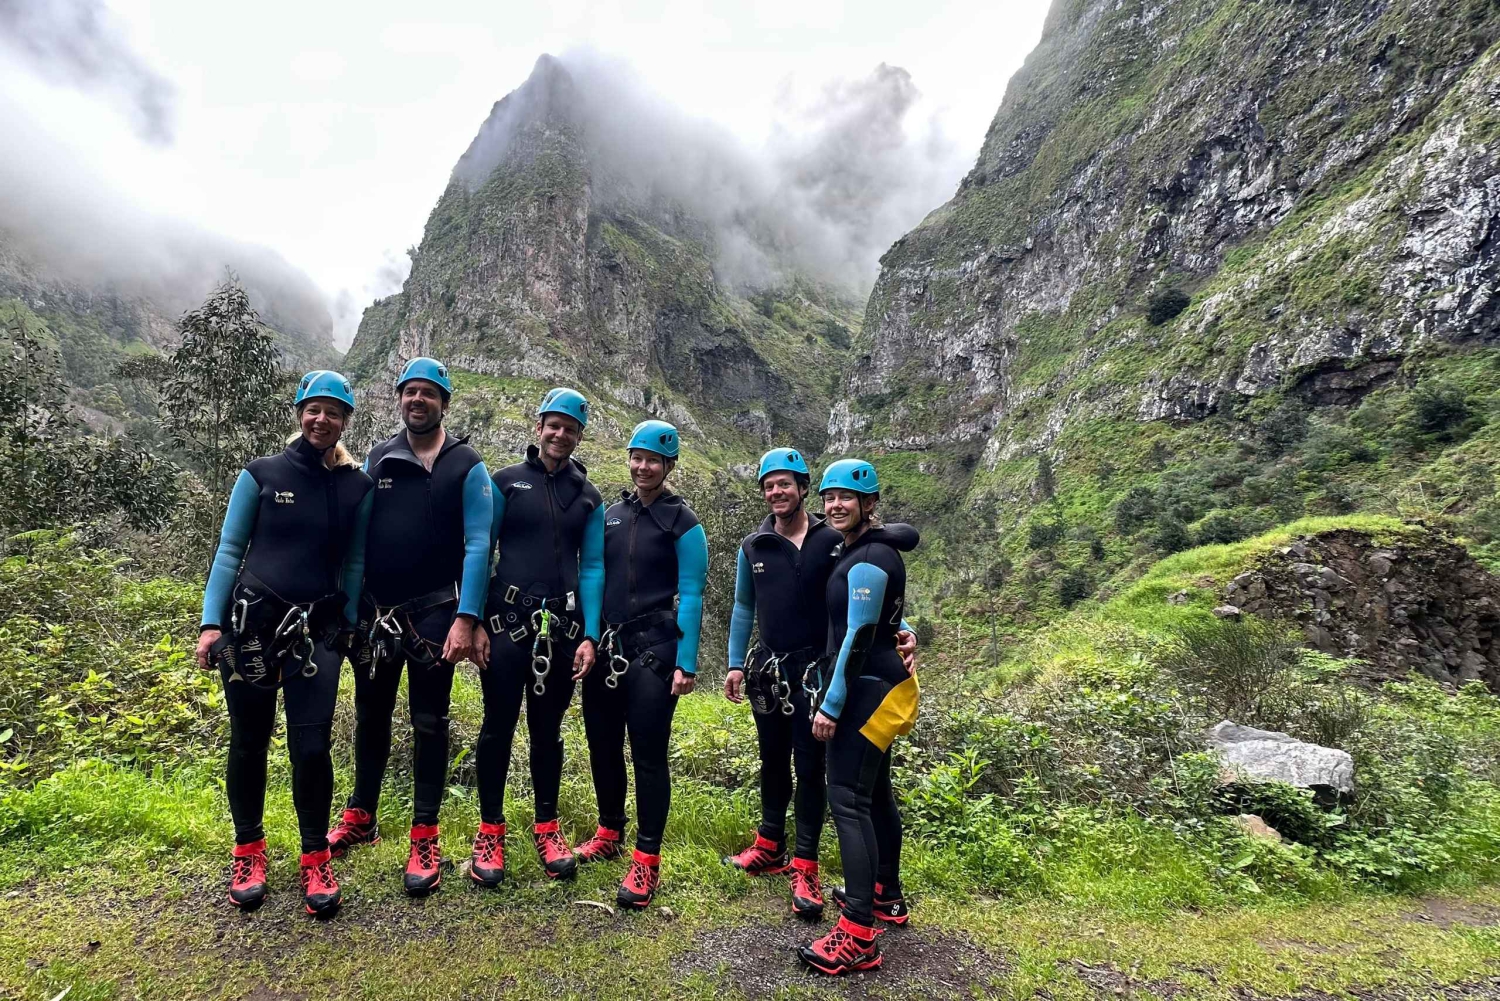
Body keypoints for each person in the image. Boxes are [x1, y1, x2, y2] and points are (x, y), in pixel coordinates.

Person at [197, 371, 372, 917]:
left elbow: (356, 563)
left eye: (333, 413)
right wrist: (210, 623)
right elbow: (230, 551)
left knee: (312, 747)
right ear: (299, 412)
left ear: (346, 420)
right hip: (251, 625)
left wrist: (345, 622)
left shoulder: (357, 487)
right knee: (249, 740)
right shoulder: (261, 474)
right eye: (312, 410)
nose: (321, 420)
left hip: (316, 633)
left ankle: (315, 854)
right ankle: (248, 849)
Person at [723, 448, 916, 920]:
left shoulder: (836, 539)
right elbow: (744, 607)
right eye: (769, 485)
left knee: (810, 766)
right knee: (772, 759)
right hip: (769, 670)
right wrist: (734, 663)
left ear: (803, 488)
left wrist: (902, 627)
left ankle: (805, 863)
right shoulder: (754, 546)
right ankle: (770, 845)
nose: (777, 491)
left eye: (786, 483)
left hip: (819, 673)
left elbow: (863, 600)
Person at [325, 357, 492, 897]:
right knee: (371, 715)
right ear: (399, 399)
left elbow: (478, 544)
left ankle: (425, 832)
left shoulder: (467, 465)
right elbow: (358, 539)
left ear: (444, 401)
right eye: (408, 392)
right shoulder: (380, 457)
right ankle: (363, 815)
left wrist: (467, 617)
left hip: (436, 614)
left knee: (429, 722)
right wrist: (350, 611)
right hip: (380, 614)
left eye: (427, 393)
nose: (416, 400)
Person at [470, 388, 603, 886]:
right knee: (497, 726)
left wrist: (590, 635)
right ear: (539, 425)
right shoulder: (505, 482)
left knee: (547, 733)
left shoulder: (588, 496)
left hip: (562, 633)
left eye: (569, 428)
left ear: (579, 435)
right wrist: (476, 619)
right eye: (553, 424)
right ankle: (490, 831)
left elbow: (591, 567)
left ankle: (547, 827)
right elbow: (482, 552)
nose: (559, 433)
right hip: (506, 626)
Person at [578, 420, 709, 909]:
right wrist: (590, 637)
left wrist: (687, 663)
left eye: (652, 460)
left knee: (648, 755)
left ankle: (646, 860)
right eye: (636, 457)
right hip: (608, 647)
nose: (642, 466)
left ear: (669, 465)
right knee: (602, 744)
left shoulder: (682, 522)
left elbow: (692, 594)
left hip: (656, 650)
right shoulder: (611, 516)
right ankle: (609, 830)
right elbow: (592, 574)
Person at [798, 459, 920, 976]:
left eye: (847, 497)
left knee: (847, 801)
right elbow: (880, 619)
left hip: (865, 689)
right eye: (828, 497)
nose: (834, 505)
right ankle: (885, 895)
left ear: (869, 503)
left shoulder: (868, 558)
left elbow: (858, 636)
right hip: (884, 687)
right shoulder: (864, 550)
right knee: (874, 795)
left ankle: (858, 933)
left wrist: (830, 703)